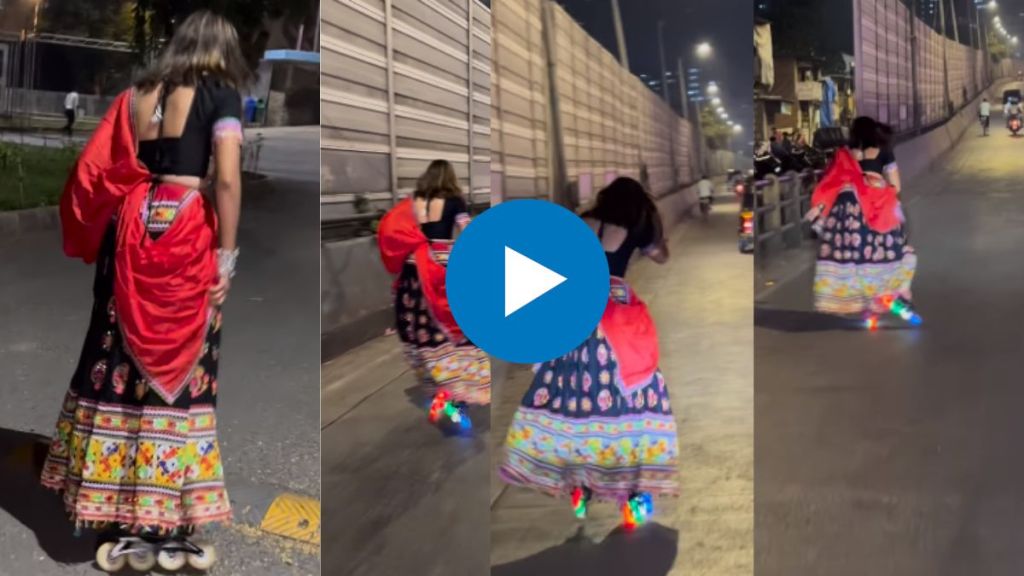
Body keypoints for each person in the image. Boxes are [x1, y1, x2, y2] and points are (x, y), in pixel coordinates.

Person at [42, 10, 248, 571]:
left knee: (118, 360)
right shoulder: (220, 94)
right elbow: (226, 178)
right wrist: (226, 256)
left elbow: (104, 164)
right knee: (181, 369)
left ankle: (110, 501)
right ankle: (164, 515)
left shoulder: (140, 94)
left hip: (131, 225)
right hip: (184, 228)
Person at [498, 177, 679, 528]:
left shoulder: (581, 222)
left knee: (574, 401)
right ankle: (630, 497)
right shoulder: (636, 225)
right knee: (634, 400)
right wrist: (653, 227)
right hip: (613, 321)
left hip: (573, 316)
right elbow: (661, 257)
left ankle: (581, 484)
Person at [377, 160, 491, 428]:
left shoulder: (414, 201)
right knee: (456, 333)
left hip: (412, 271)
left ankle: (440, 395)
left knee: (425, 336)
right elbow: (467, 230)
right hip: (441, 268)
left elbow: (392, 227)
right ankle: (456, 401)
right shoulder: (454, 199)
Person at [804, 115, 916, 319]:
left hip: (847, 209)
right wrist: (882, 188)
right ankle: (894, 295)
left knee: (853, 259)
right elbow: (896, 186)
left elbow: (831, 179)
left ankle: (854, 301)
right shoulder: (885, 152)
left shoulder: (845, 153)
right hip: (877, 205)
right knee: (899, 246)